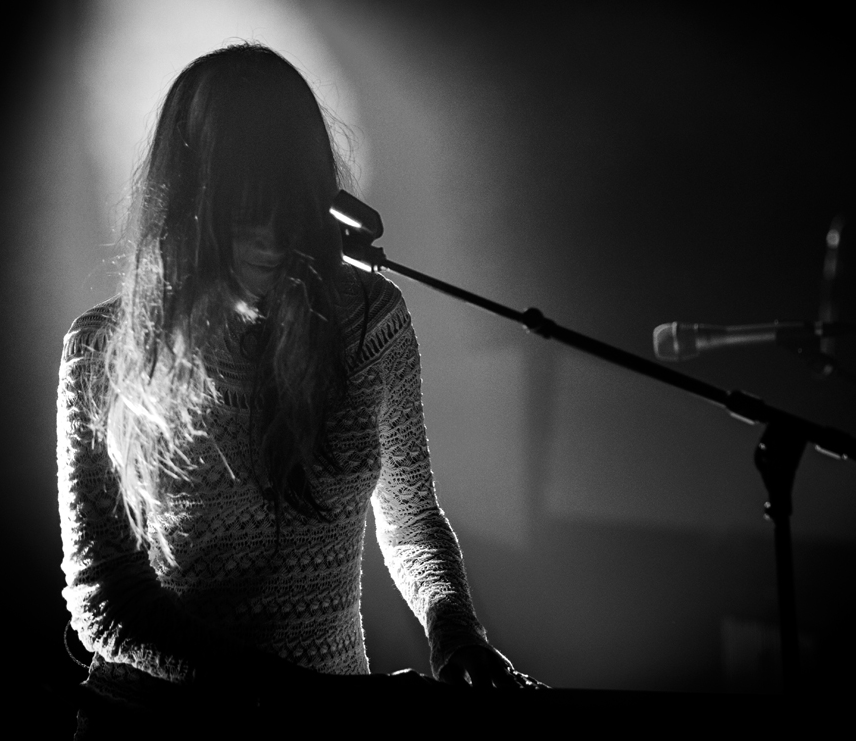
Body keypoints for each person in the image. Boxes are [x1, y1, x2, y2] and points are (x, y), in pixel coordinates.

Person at [57, 43, 540, 727]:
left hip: (328, 720)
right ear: (192, 196)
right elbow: (106, 601)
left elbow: (410, 522)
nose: (272, 233)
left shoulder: (373, 322)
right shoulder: (104, 352)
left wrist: (455, 632)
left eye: (286, 200)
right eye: (243, 204)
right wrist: (297, 695)